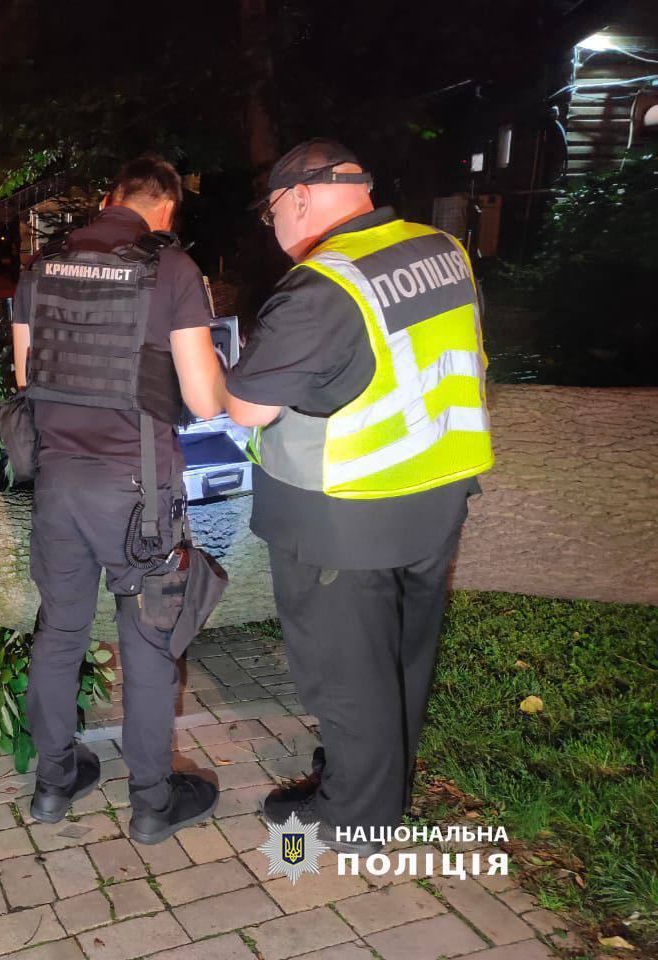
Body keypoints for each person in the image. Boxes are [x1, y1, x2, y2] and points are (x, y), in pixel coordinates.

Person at [224, 139, 494, 852]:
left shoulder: (320, 286)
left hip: (345, 514)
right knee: (402, 655)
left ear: (302, 198)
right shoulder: (440, 248)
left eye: (271, 210)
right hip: (436, 487)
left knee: (346, 673)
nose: (273, 226)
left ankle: (357, 818)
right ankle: (376, 776)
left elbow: (247, 408)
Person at [11, 157, 231, 844]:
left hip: (56, 484)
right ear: (166, 209)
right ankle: (151, 804)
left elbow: (27, 377)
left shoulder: (41, 266)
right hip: (138, 494)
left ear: (109, 199)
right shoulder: (171, 270)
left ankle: (53, 785)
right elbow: (201, 399)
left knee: (60, 634)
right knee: (147, 644)